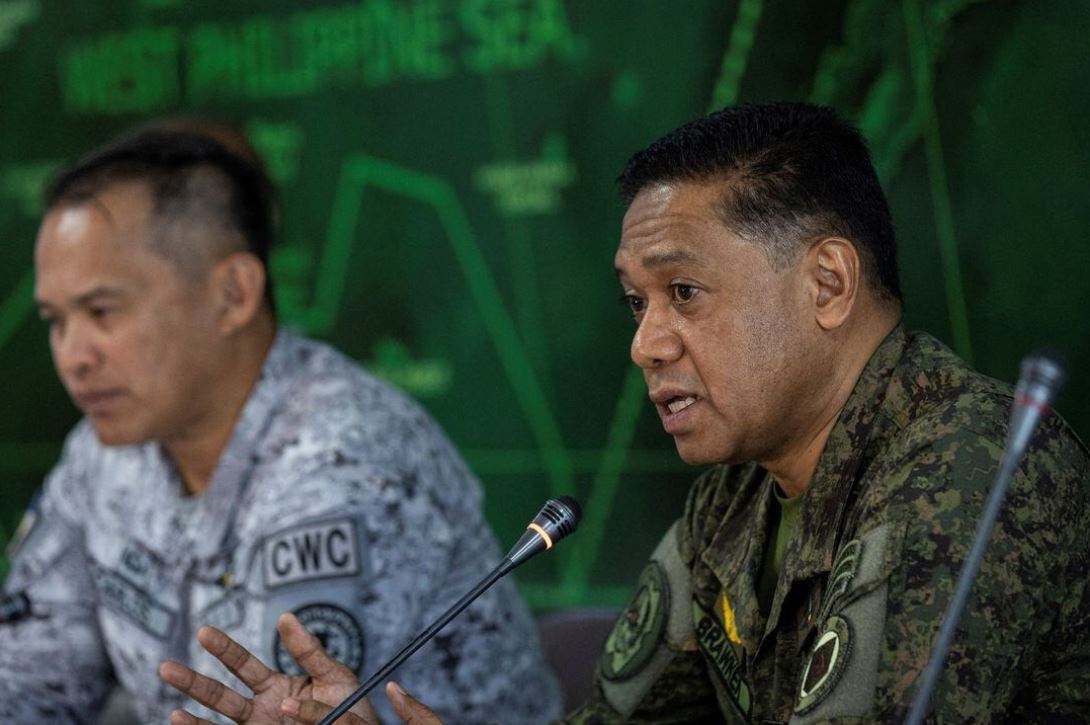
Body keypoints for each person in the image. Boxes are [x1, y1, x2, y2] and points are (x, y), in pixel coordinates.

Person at [162, 102, 1090, 724]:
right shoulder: (736, 492)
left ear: (829, 282)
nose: (647, 342)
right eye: (635, 304)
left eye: (684, 291)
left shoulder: (971, 468)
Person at [0, 126, 562, 724]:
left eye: (101, 311)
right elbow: (28, 680)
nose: (72, 355)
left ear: (233, 293)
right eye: (56, 321)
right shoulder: (104, 447)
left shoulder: (343, 464)